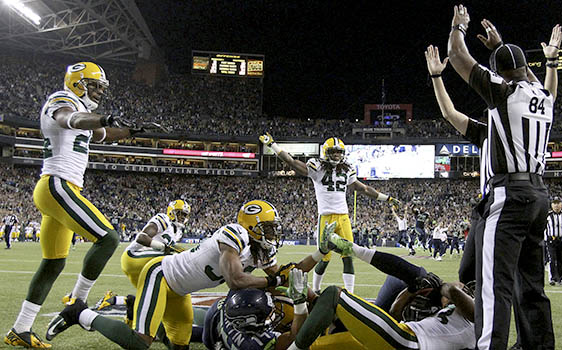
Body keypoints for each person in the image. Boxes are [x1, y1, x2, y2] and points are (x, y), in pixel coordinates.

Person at [4, 62, 164, 349]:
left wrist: (132, 131)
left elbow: (103, 134)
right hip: (57, 184)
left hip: (62, 187)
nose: (100, 92)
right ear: (78, 83)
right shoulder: (63, 100)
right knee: (108, 237)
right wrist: (103, 118)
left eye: (102, 87)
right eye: (95, 86)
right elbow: (72, 119)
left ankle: (20, 329)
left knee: (53, 263)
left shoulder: (84, 110)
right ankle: (77, 301)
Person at [46, 200, 328, 349]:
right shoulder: (235, 233)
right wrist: (275, 281)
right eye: (268, 228)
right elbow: (235, 280)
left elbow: (286, 276)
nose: (273, 234)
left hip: (180, 291)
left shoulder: (259, 251)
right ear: (252, 226)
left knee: (180, 345)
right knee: (139, 342)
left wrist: (319, 254)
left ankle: (128, 308)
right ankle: (80, 312)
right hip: (161, 276)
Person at [447, 5, 561, 349]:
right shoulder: (543, 96)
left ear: (502, 75)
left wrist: (459, 27)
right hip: (539, 195)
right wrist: (509, 50)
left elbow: (457, 56)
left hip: (509, 195)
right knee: (531, 286)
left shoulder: (504, 92)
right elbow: (537, 81)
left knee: (494, 286)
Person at [288, 226, 476, 350]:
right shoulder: (449, 310)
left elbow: (453, 291)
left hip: (405, 340)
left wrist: (441, 285)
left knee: (332, 295)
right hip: (398, 332)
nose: (462, 288)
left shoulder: (477, 318)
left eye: (466, 290)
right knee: (318, 345)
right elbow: (393, 315)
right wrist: (411, 292)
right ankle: (352, 249)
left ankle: (352, 249)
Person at [259, 133, 400, 293]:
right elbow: (291, 162)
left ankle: (350, 294)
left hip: (343, 217)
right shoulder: (317, 167)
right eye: (333, 152)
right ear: (326, 152)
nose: (336, 155)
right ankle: (317, 289)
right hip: (326, 217)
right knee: (323, 257)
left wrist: (386, 198)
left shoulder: (347, 170)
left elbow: (364, 189)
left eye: (339, 152)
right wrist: (273, 145)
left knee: (348, 255)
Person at [94, 200, 191, 313]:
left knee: (154, 299)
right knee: (172, 257)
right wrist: (164, 247)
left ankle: (113, 300)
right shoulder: (163, 219)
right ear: (171, 212)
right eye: (180, 213)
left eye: (184, 215)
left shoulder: (178, 232)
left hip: (146, 264)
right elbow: (141, 237)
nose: (182, 217)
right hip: (133, 256)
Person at [545, 197, 562, 285]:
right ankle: (553, 278)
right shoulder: (548, 216)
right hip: (551, 240)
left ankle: (560, 278)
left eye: (558, 203)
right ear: (552, 205)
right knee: (552, 259)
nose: (556, 205)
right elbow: (542, 227)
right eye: (554, 203)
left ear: (561, 204)